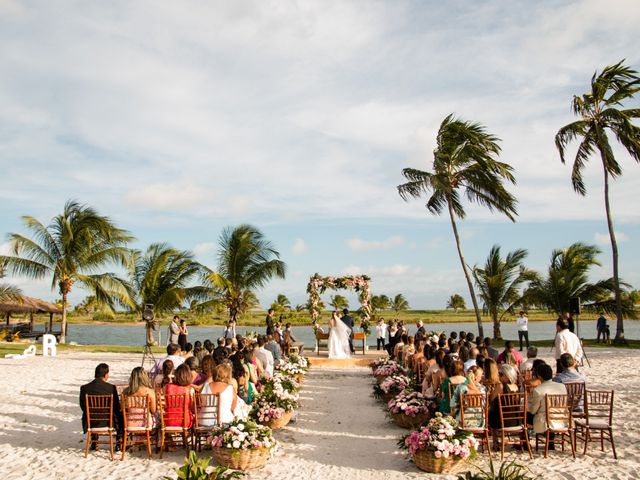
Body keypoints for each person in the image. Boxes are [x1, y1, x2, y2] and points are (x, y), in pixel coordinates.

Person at [80, 363, 124, 445]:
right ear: (105, 374)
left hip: (91, 421)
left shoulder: (84, 388)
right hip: (108, 421)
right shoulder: (111, 388)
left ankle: (94, 439)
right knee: (120, 415)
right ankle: (119, 440)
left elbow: (83, 406)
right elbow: (116, 407)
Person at [527, 363, 567, 445]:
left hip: (546, 421)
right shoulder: (562, 386)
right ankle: (551, 441)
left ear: (539, 376)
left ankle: (525, 444)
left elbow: (533, 410)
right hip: (562, 417)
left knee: (525, 416)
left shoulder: (538, 390)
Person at [488, 364, 519, 429]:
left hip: (501, 421)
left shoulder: (500, 386)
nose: (499, 376)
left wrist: (490, 392)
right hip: (516, 420)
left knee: (489, 413)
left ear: (507, 376)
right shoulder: (516, 387)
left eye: (500, 374)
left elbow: (490, 399)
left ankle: (494, 438)